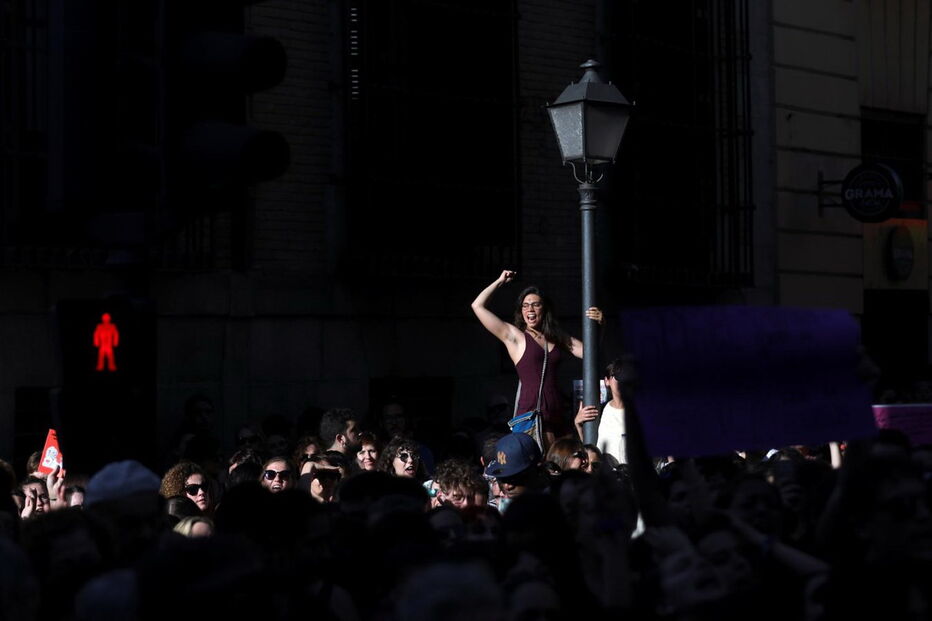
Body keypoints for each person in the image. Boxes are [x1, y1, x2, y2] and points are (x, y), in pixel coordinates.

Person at [471, 270, 602, 448]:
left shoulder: (557, 337)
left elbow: (590, 353)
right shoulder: (516, 337)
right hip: (531, 417)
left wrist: (600, 326)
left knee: (564, 461)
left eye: (535, 305)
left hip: (557, 415)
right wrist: (499, 281)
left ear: (544, 309)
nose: (530, 310)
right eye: (525, 306)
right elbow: (477, 306)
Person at [575, 358, 627, 465]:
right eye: (618, 375)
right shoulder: (600, 411)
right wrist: (579, 426)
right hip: (607, 472)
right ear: (607, 381)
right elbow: (591, 450)